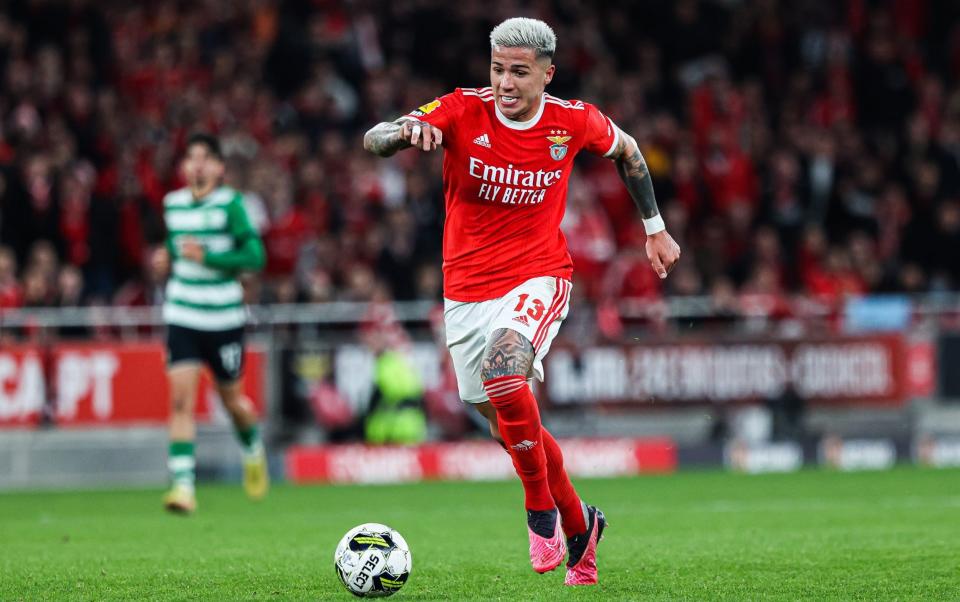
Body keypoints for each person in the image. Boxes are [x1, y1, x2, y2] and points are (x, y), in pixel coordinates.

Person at [363, 17, 680, 586]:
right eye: (497, 69)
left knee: (507, 373)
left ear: (546, 73)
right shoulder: (462, 109)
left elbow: (629, 153)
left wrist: (654, 227)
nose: (505, 83)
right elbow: (375, 138)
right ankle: (582, 524)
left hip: (540, 275)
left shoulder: (571, 121)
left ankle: (540, 513)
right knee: (503, 425)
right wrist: (407, 132)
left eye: (518, 72)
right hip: (465, 293)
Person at [155, 133, 268, 514]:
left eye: (205, 157)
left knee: (232, 401)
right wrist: (165, 257)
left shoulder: (231, 205)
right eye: (191, 157)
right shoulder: (173, 204)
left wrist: (209, 258)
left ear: (219, 167)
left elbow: (254, 255)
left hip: (223, 316)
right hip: (183, 313)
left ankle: (252, 449)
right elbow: (175, 245)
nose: (197, 164)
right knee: (180, 401)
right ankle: (183, 487)